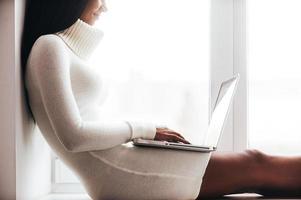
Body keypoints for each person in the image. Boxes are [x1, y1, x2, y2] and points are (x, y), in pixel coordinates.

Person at [21, 0, 301, 199]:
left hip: (121, 166)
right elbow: (74, 136)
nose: (104, 7)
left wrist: (145, 136)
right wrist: (146, 129)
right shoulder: (49, 46)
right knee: (255, 164)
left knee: (255, 167)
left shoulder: (58, 49)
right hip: (120, 173)